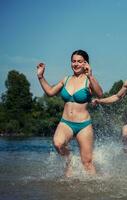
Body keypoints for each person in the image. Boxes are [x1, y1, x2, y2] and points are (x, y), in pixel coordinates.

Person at [37, 49, 103, 177]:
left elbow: (100, 93)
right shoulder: (66, 79)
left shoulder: (88, 80)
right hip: (65, 122)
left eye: (79, 61)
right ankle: (70, 158)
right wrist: (40, 76)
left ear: (85, 64)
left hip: (83, 125)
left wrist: (90, 75)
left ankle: (95, 189)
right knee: (58, 143)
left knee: (87, 163)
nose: (76, 64)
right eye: (73, 61)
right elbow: (50, 92)